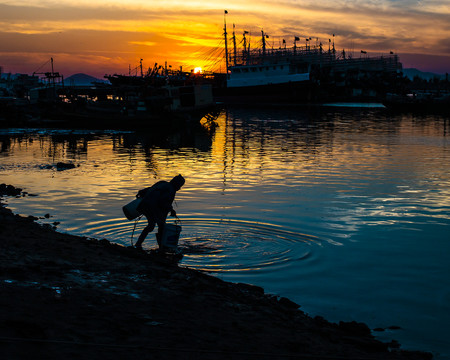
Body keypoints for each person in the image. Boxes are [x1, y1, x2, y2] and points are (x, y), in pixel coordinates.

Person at [134, 174, 185, 250]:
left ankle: (143, 244)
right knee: (157, 226)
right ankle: (159, 246)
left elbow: (149, 189)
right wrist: (171, 210)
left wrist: (140, 193)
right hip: (151, 208)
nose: (179, 188)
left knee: (155, 226)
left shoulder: (162, 183)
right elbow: (163, 202)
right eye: (180, 186)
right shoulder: (171, 190)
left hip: (144, 205)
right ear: (177, 184)